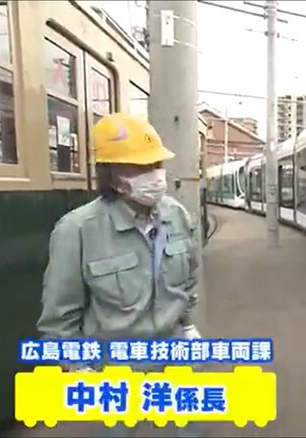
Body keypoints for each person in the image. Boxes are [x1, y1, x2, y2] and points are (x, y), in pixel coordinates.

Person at [37, 112, 204, 437]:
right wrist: (77, 366)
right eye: (138, 168)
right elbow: (59, 316)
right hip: (115, 367)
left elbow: (188, 278)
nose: (153, 175)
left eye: (156, 165)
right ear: (111, 176)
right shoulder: (77, 230)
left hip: (175, 355)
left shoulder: (176, 215)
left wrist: (187, 324)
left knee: (192, 432)